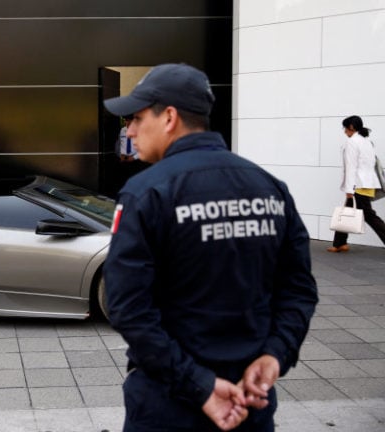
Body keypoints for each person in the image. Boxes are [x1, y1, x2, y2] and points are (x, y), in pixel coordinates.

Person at [103, 64, 318, 431]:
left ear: (169, 117)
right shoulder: (270, 187)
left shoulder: (146, 192)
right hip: (251, 402)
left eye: (137, 117)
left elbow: (127, 308)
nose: (131, 130)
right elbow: (298, 290)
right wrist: (275, 355)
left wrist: (199, 386)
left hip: (168, 406)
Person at [327, 115, 385, 252]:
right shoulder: (366, 141)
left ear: (351, 127)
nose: (344, 131)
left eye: (345, 128)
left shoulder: (352, 142)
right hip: (366, 184)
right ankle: (339, 243)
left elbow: (351, 167)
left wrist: (349, 189)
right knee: (347, 211)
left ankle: (339, 244)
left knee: (370, 216)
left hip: (358, 185)